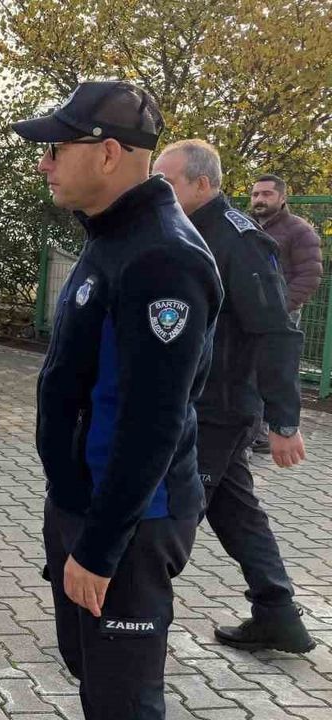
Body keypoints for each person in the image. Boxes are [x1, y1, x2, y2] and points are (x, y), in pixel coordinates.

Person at [11, 82, 222, 719]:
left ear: (108, 153)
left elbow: (153, 419)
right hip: (83, 502)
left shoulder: (162, 257)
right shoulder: (113, 236)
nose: (44, 162)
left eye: (55, 147)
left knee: (122, 700)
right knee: (89, 669)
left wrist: (100, 548)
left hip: (129, 520)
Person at [153, 140, 314, 653]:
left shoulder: (239, 240)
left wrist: (284, 422)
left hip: (218, 409)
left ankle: (131, 623)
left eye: (169, 181)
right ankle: (278, 615)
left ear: (203, 184)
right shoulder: (187, 230)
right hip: (195, 402)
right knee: (237, 514)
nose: (159, 190)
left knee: (169, 514)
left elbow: (276, 332)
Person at [247, 173, 321, 452]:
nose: (259, 199)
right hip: (248, 313)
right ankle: (252, 429)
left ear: (281, 197)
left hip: (281, 316)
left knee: (275, 369)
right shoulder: (246, 226)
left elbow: (309, 274)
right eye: (255, 194)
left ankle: (270, 430)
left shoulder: (298, 230)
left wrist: (280, 307)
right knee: (246, 370)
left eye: (266, 194)